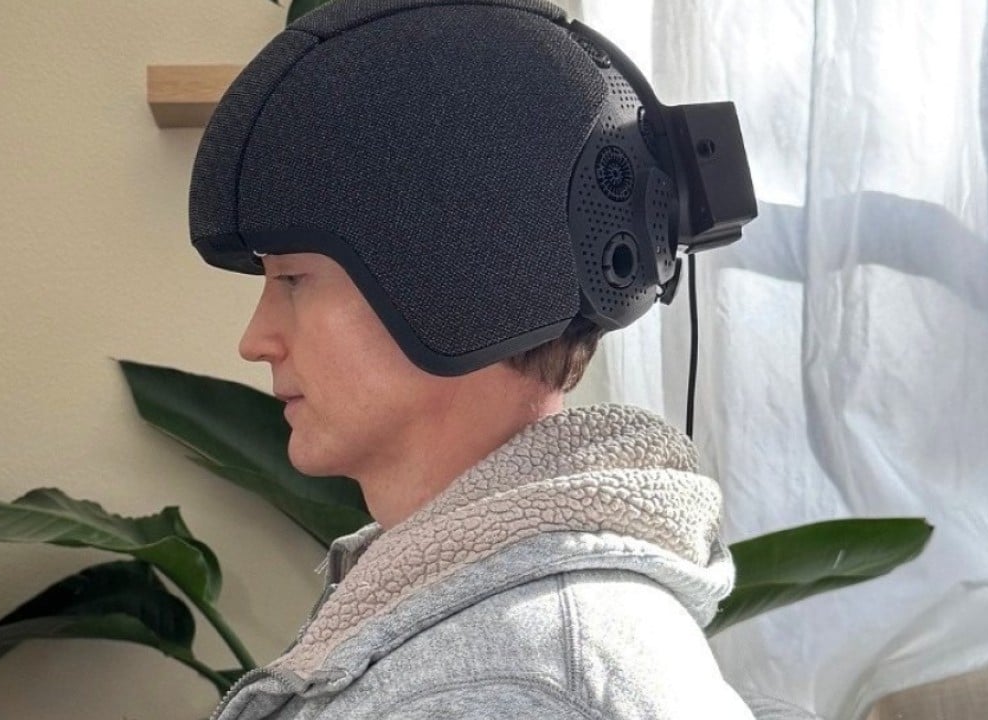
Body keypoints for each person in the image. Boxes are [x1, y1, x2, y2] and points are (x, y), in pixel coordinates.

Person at [188, 0, 815, 717]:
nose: (256, 339)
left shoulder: (510, 687)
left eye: (294, 280)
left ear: (461, 281)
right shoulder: (493, 636)